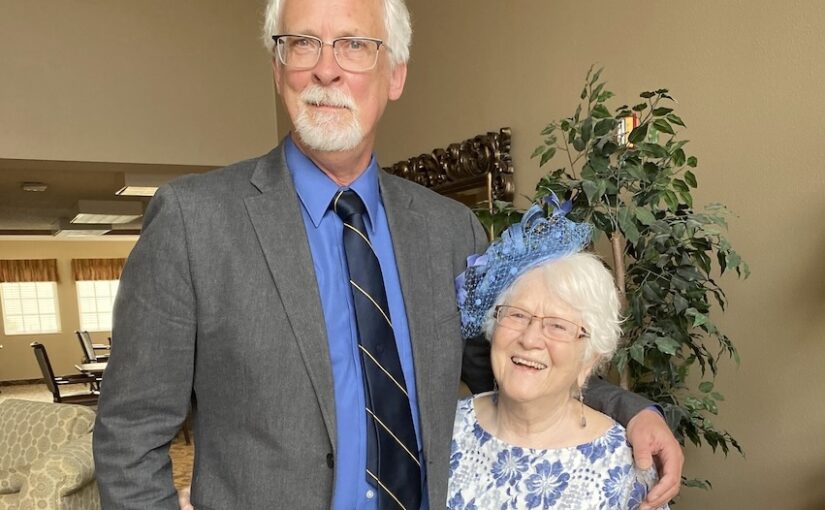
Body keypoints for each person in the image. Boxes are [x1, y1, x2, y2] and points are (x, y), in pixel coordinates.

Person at [93, 0, 683, 508]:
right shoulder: (194, 222)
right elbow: (130, 434)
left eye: (354, 45)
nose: (326, 68)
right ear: (279, 68)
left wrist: (632, 411)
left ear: (395, 74)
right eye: (302, 44)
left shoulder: (450, 229)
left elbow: (512, 365)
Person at [448, 199, 668, 509]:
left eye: (558, 326)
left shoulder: (624, 470)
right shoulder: (444, 430)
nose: (530, 338)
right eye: (517, 315)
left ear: (589, 359)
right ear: (492, 325)